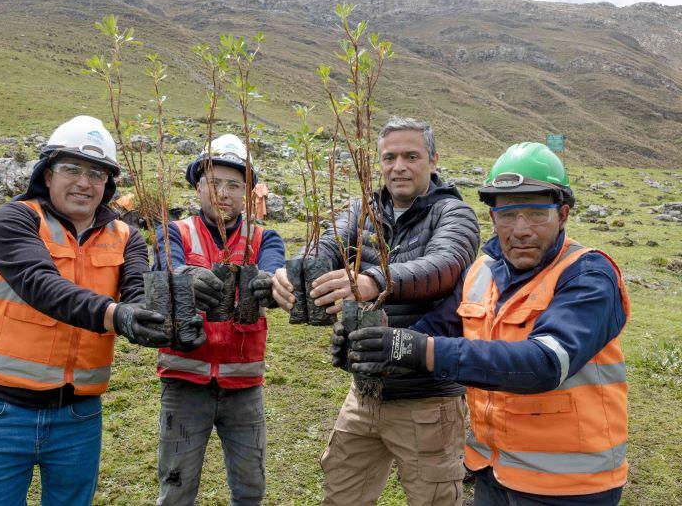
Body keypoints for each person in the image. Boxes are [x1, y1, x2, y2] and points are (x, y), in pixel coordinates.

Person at [348, 142, 629, 505]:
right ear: (492, 216)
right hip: (493, 471)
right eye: (508, 214)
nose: (521, 230)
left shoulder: (588, 276)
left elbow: (544, 364)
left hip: (569, 487)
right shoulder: (482, 272)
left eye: (536, 213)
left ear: (563, 214)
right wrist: (380, 345)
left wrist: (417, 350)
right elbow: (439, 327)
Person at [0, 116, 178, 505]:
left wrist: (167, 317)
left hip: (79, 417)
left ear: (107, 185)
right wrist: (116, 316)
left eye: (96, 174)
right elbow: (41, 285)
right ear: (47, 174)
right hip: (3, 412)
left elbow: (136, 296)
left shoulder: (126, 236)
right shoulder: (17, 219)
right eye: (72, 169)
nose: (84, 182)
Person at [271, 117, 481, 505]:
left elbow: (444, 265)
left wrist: (373, 280)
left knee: (433, 498)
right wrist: (295, 268)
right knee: (342, 492)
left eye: (411, 156)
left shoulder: (454, 214)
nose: (398, 166)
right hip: (365, 393)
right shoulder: (364, 210)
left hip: (427, 400)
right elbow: (330, 242)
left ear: (433, 161)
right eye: (390, 157)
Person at [153, 134, 285, 506]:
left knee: (250, 488)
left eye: (233, 184)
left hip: (244, 385)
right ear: (198, 187)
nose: (223, 193)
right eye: (213, 182)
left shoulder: (264, 238)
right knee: (175, 490)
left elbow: (274, 273)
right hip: (184, 383)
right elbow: (167, 265)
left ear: (247, 192)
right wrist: (186, 278)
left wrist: (269, 283)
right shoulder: (174, 232)